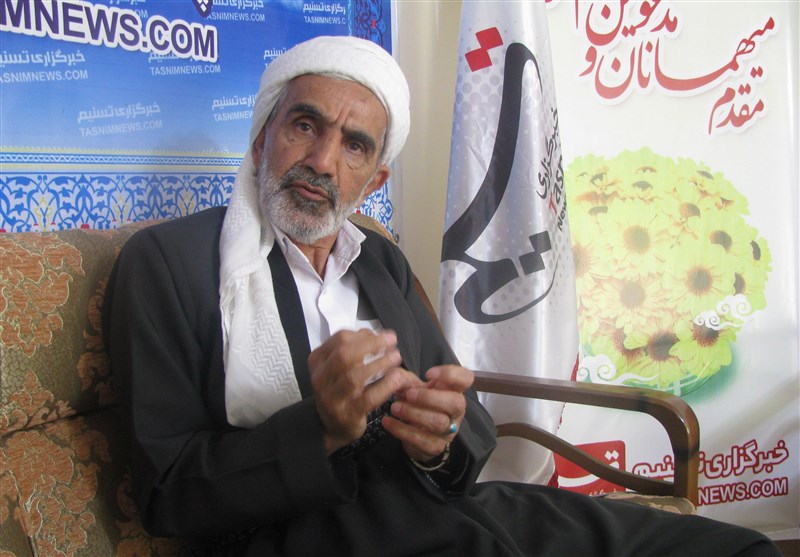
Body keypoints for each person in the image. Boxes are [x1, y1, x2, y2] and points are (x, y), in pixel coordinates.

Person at [103, 35, 780, 556]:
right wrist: (323, 428)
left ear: (373, 179)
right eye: (305, 125)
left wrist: (438, 436)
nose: (323, 161)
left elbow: (462, 424)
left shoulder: (380, 262)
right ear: (262, 138)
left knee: (731, 549)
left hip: (433, 506)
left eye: (354, 145)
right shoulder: (168, 263)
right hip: (297, 532)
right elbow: (167, 491)